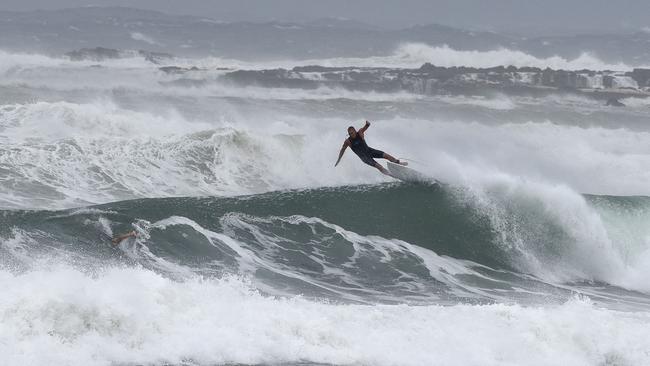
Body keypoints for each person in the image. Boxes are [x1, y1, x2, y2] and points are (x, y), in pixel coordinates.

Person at [334, 120, 407, 176]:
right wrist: (338, 160)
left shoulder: (360, 132)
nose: (350, 135)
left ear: (355, 131)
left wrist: (367, 123)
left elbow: (367, 126)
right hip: (365, 158)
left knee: (387, 156)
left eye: (352, 133)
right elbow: (342, 150)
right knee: (379, 167)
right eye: (349, 133)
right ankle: (392, 175)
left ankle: (399, 163)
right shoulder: (348, 141)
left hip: (370, 151)